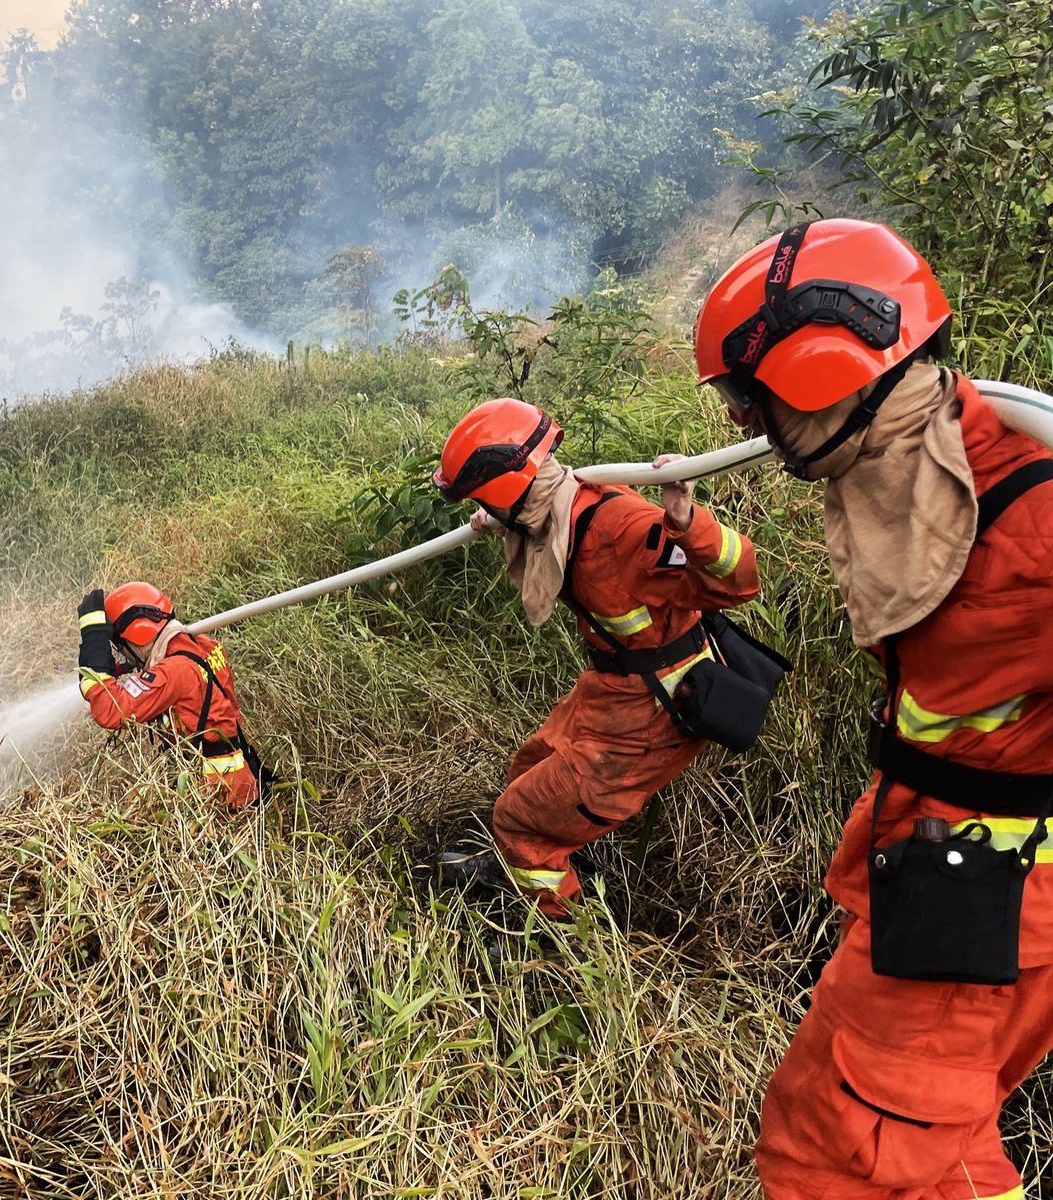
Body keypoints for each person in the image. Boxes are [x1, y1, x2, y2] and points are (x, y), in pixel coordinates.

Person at [694, 216, 1053, 1199]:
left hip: (985, 897)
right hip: (946, 872)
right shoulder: (921, 465)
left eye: (752, 399)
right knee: (927, 1141)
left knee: (839, 1159)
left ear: (821, 367)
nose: (745, 429)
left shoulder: (1032, 524)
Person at [432, 397, 760, 913]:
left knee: (520, 816)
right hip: (612, 690)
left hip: (656, 713)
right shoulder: (552, 512)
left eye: (488, 501)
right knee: (527, 770)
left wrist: (686, 519)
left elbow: (739, 580)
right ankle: (524, 863)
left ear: (510, 493)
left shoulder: (622, 528)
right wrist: (504, 521)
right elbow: (538, 524)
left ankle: (554, 941)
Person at [76, 581, 269, 810]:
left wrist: (95, 649)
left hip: (217, 800)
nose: (122, 654)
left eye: (122, 645)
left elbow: (111, 711)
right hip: (242, 782)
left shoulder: (175, 672)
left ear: (138, 633)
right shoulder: (204, 646)